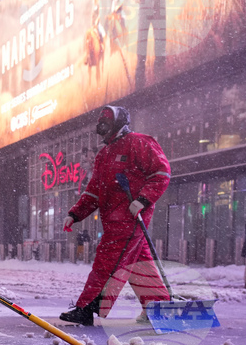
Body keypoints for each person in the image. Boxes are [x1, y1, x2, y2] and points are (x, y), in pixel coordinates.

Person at [60, 105, 171, 326]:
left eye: (106, 123)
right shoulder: (104, 154)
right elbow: (94, 190)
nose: (101, 128)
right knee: (138, 262)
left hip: (130, 217)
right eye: (100, 124)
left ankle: (87, 307)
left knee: (109, 261)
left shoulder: (140, 142)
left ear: (119, 123)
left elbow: (161, 173)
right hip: (112, 219)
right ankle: (158, 308)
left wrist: (143, 200)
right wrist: (76, 213)